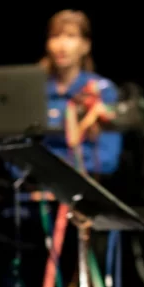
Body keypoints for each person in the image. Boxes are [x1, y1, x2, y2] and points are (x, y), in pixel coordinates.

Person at [39, 9, 122, 176]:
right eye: (55, 36)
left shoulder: (102, 91)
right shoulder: (36, 90)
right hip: (36, 186)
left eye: (71, 36)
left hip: (83, 183)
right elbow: (17, 155)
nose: (62, 45)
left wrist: (54, 167)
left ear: (85, 45)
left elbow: (107, 158)